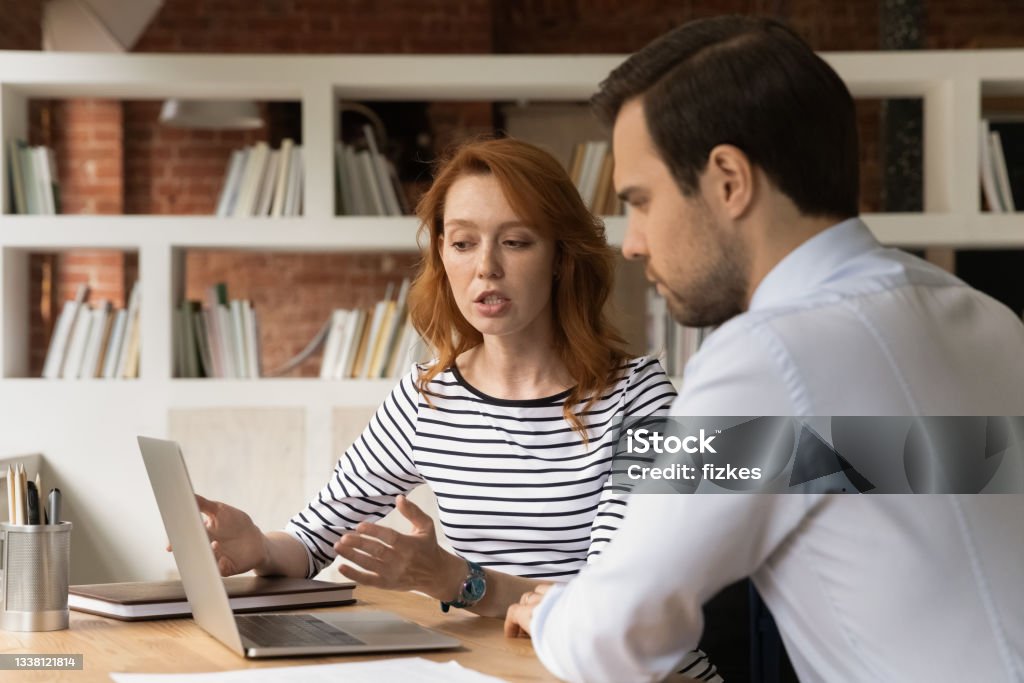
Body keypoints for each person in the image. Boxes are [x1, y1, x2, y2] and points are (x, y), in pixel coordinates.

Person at [503, 15, 1024, 683]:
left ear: (728, 179)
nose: (631, 242)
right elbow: (880, 473)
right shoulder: (987, 317)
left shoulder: (766, 355)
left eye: (641, 199)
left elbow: (614, 636)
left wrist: (557, 614)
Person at [187, 138, 683, 623]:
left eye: (515, 242)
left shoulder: (641, 399)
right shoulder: (427, 395)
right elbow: (313, 539)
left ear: (560, 257)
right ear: (443, 255)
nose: (486, 268)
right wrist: (259, 548)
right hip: (494, 667)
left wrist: (458, 581)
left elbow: (614, 605)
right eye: (464, 243)